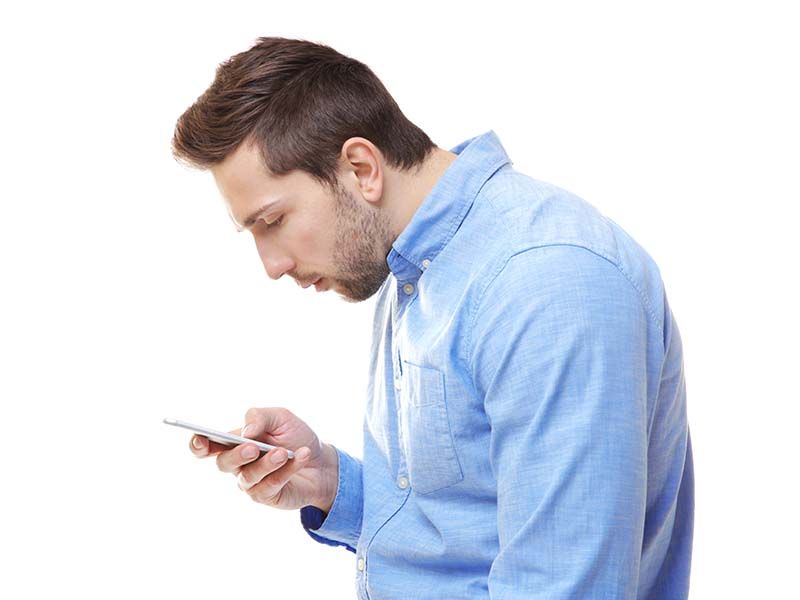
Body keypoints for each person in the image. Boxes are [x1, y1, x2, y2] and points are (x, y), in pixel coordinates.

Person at [171, 37, 694, 599]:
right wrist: (329, 482)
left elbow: (561, 585)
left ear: (360, 167)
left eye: (273, 220)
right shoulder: (418, 264)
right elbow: (470, 523)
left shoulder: (546, 282)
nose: (270, 265)